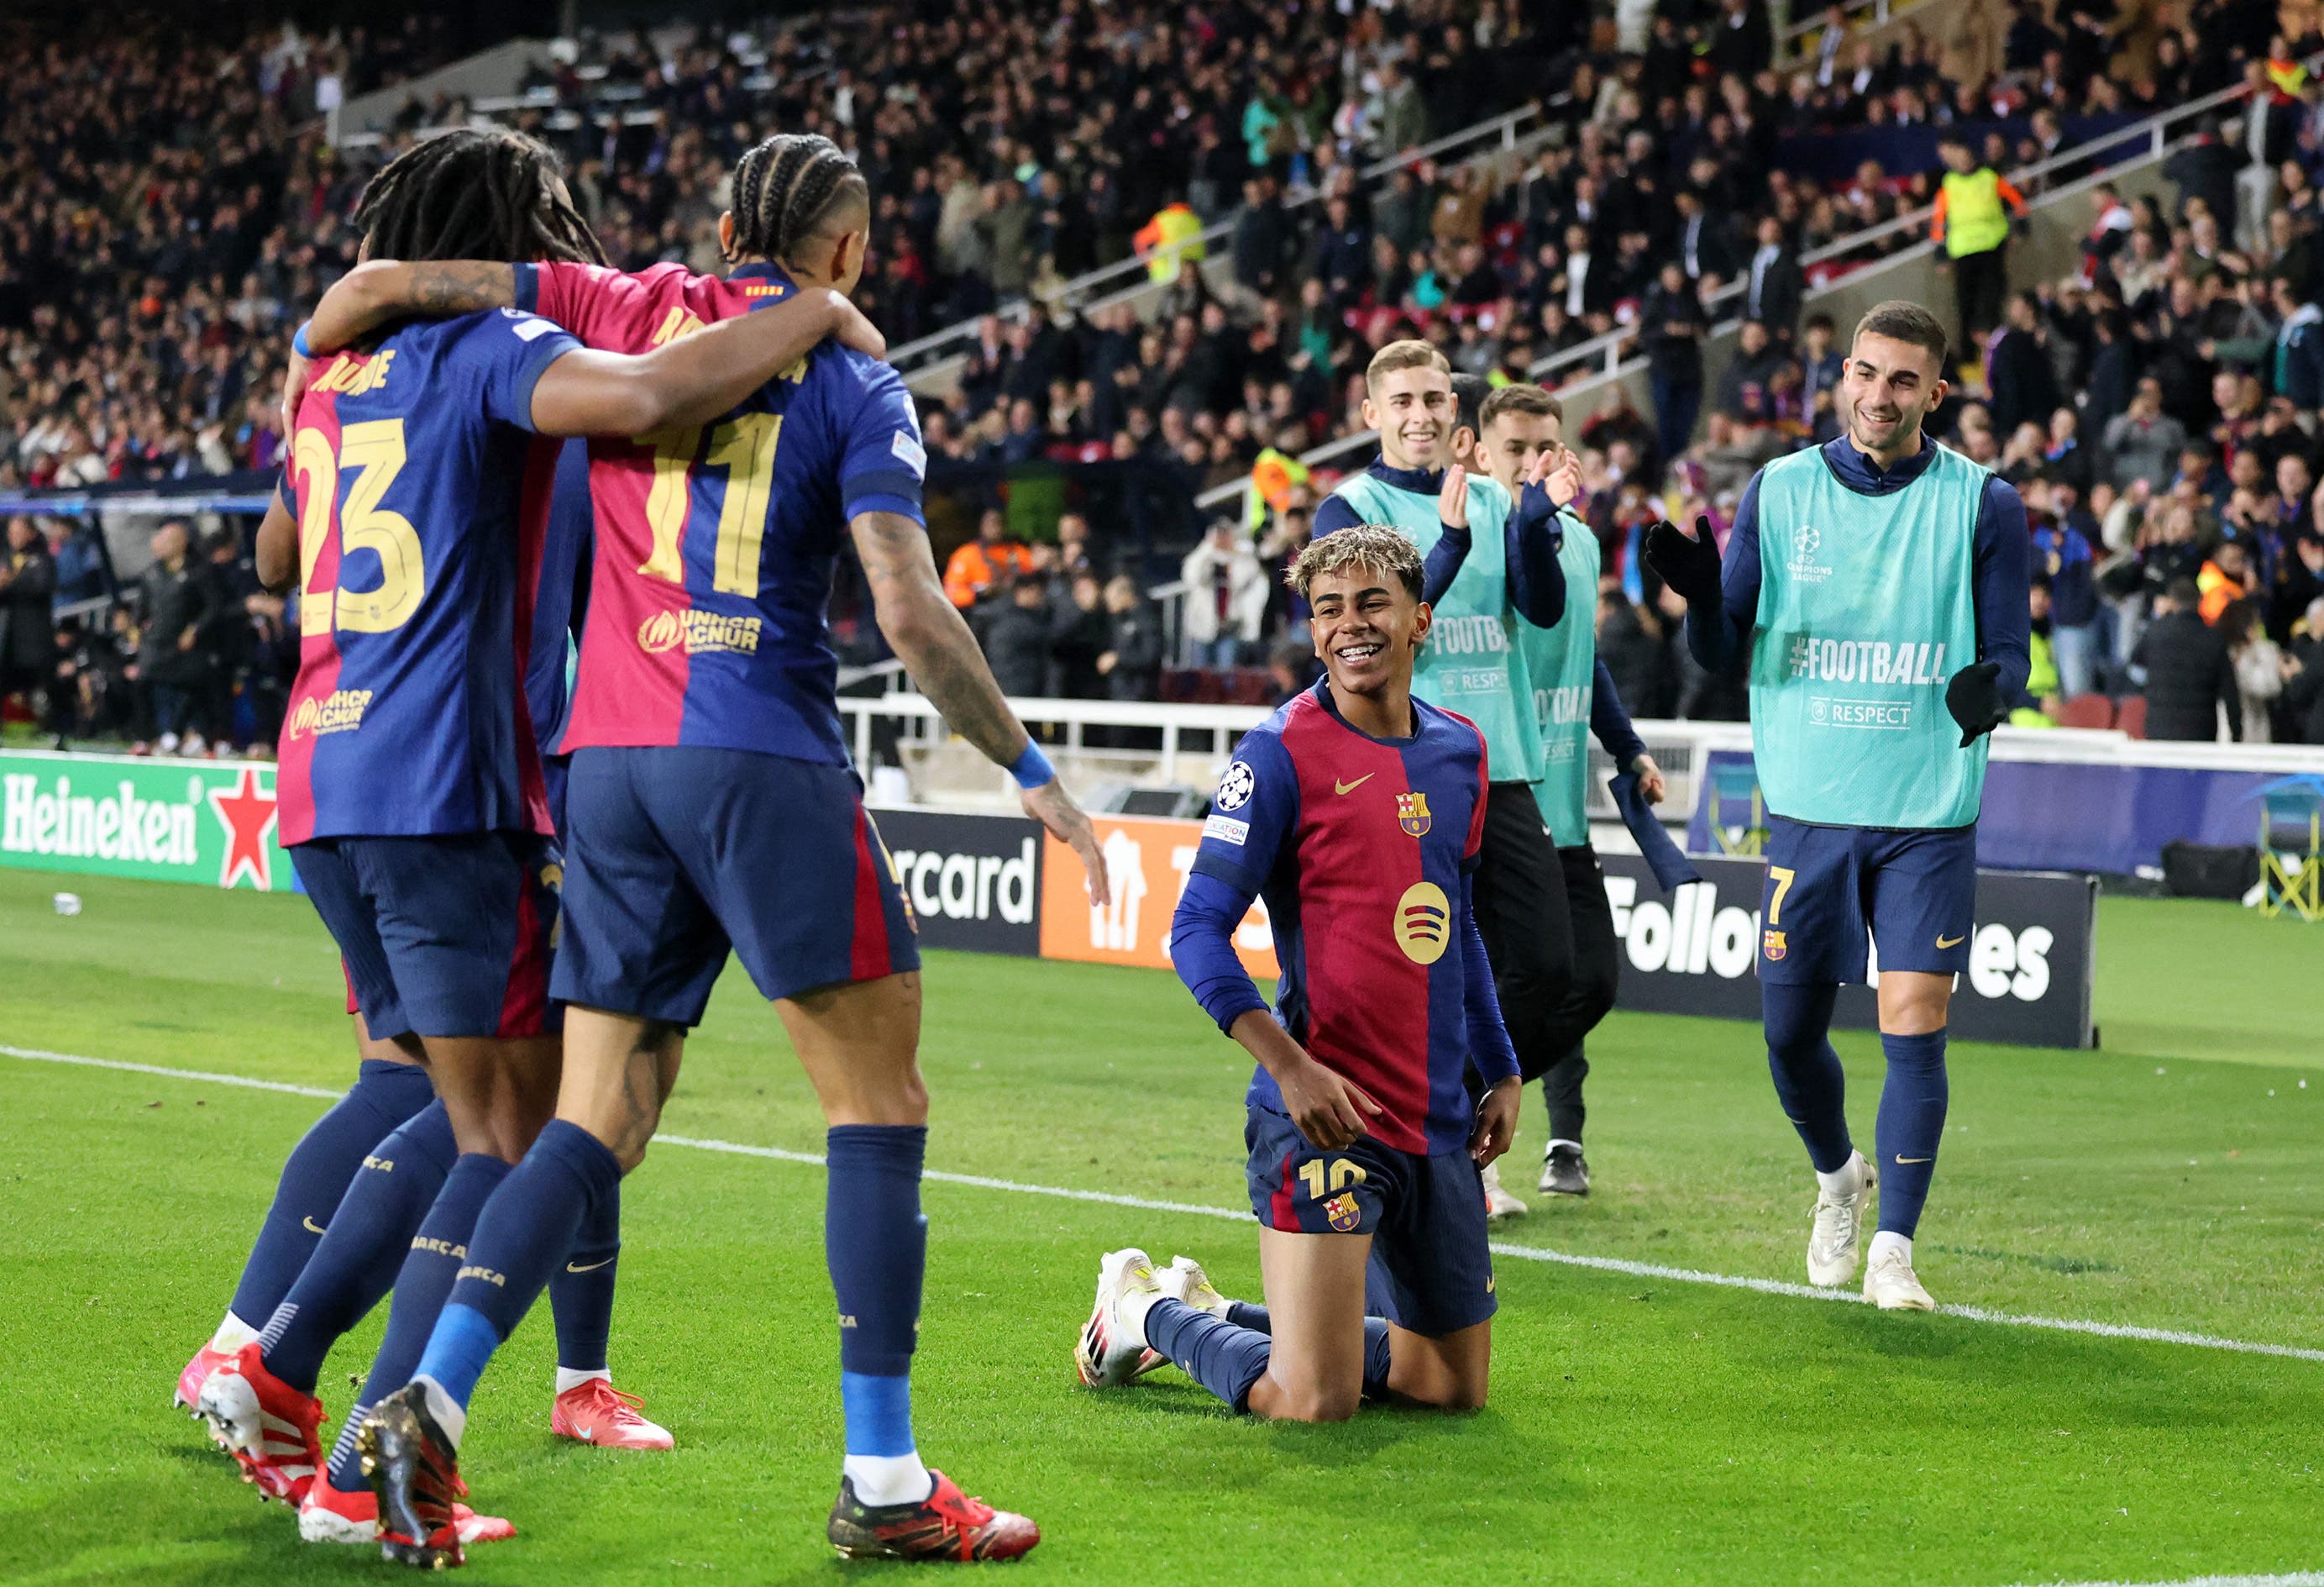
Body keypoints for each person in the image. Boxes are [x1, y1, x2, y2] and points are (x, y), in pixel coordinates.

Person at [303, 132, 1109, 1566]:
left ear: (725, 219)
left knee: (592, 1118)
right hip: (763, 756)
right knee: (876, 1096)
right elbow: (913, 615)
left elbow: (402, 287)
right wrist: (1029, 768)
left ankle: (427, 1391)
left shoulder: (612, 305)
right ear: (851, 254)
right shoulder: (859, 378)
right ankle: (883, 1473)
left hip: (606, 769)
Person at [192, 127, 872, 1543]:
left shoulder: (338, 367)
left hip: (324, 777)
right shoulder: (494, 345)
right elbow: (651, 386)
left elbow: (270, 553)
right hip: (454, 780)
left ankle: (294, 1375)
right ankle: (338, 1444)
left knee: (434, 1104)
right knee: (520, 1132)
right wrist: (813, 304)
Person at [1078, 525, 1521, 1422]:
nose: (1349, 625)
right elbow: (1195, 929)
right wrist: (1289, 1066)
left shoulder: (1461, 752)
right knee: (1312, 1397)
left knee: (1449, 1385)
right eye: (1328, 609)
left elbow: (1457, 923)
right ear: (1313, 630)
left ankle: (1220, 1311)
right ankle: (1144, 1312)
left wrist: (1502, 1065)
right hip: (1325, 1114)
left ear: (1418, 618)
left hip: (1434, 1114)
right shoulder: (1277, 753)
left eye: (1370, 603)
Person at [1648, 300, 2031, 1311]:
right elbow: (1726, 653)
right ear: (1842, 376)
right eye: (1865, 373)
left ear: (1935, 394)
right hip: (1810, 807)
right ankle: (1836, 1177)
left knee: (1915, 1020)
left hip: (1923, 811)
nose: (1878, 394)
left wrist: (1988, 692)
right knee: (1786, 1037)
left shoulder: (1984, 504)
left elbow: (2010, 655)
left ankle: (1895, 1248)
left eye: (1903, 380)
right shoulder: (1777, 489)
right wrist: (1699, 604)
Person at [1466, 383, 1670, 1202]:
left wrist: (1627, 746)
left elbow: (1584, 666)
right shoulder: (1472, 545)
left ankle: (1458, 1119)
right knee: (1515, 977)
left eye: (1542, 448)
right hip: (1492, 805)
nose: (1529, 463)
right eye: (1513, 448)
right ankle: (1464, 1146)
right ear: (1478, 453)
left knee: (1591, 982)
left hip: (1561, 801)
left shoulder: (1578, 542)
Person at [1931, 134, 2026, 353]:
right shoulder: (1949, 184)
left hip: (1992, 245)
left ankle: (1995, 344)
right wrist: (1940, 252)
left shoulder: (1989, 177)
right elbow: (1939, 219)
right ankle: (1969, 351)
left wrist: (2020, 226)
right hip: (1963, 250)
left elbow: (2015, 200)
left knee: (1993, 297)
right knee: (1966, 303)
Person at [2133, 577, 2242, 741]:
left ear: (2171, 601)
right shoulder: (2213, 639)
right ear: (2200, 601)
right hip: (2200, 731)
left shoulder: (2154, 633)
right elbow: (2229, 692)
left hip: (2159, 728)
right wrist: (2236, 732)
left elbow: (2135, 669)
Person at [1180, 519, 1268, 669]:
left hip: (1230, 626)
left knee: (1227, 675)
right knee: (1201, 677)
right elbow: (1193, 578)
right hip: (1203, 627)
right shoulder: (1202, 557)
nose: (1222, 539)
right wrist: (1208, 548)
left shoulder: (1240, 557)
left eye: (1225, 534)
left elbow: (1245, 578)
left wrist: (1234, 553)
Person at [0, 515, 55, 719]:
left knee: (39, 690)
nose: (13, 536)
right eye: (11, 532)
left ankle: (51, 729)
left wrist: (9, 583)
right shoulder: (5, 557)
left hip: (34, 640)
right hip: (7, 639)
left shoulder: (43, 559)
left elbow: (41, 587)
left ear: (31, 533)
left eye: (18, 532)